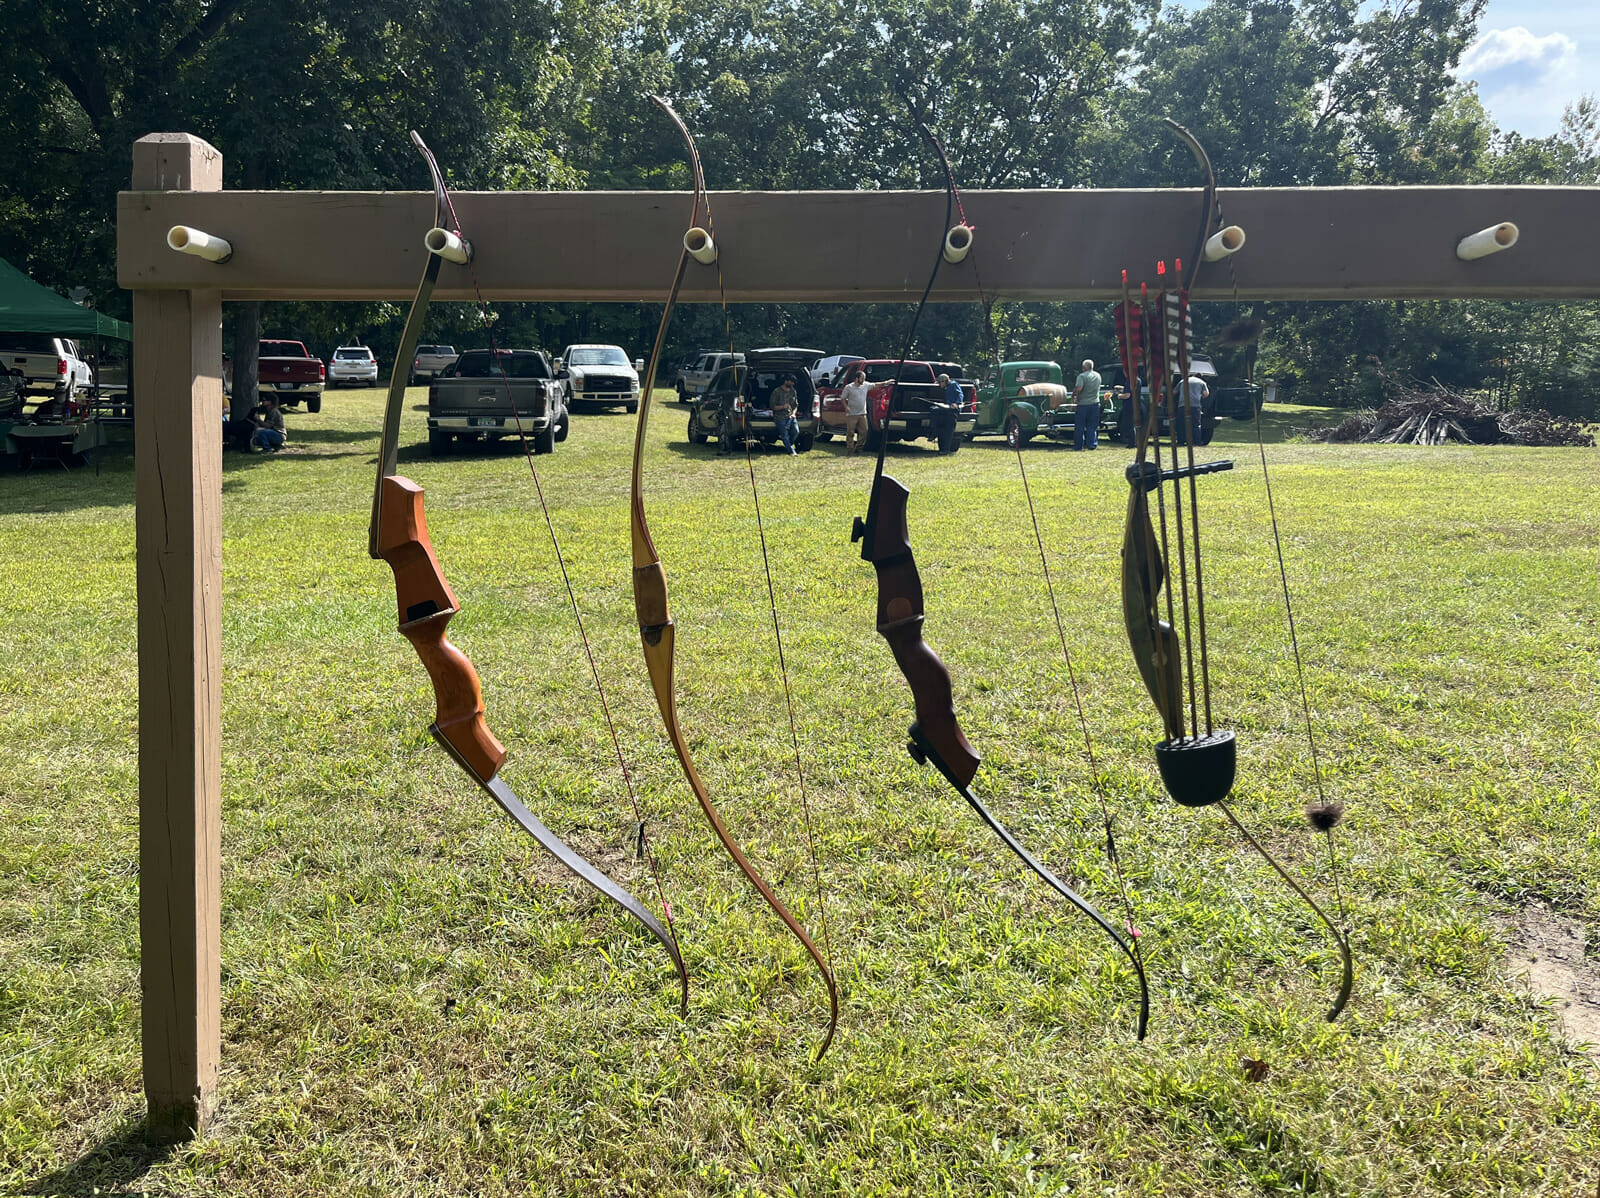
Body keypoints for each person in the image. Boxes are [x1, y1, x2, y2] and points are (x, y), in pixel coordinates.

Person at [1071, 359, 1102, 450]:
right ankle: (1092, 444)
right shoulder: (1098, 375)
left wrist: (1074, 394)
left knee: (1080, 426)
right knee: (1092, 425)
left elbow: (1079, 388)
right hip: (1095, 403)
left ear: (1084, 367)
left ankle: (1078, 446)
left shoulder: (1082, 376)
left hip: (1083, 404)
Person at [840, 369, 870, 455]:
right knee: (850, 432)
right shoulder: (849, 387)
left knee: (864, 432)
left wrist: (886, 382)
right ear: (857, 378)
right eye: (862, 378)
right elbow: (842, 398)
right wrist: (846, 407)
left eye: (864, 378)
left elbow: (876, 385)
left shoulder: (866, 385)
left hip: (862, 413)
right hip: (852, 414)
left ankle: (859, 447)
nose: (863, 380)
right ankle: (850, 449)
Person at [770, 374, 799, 454]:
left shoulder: (793, 391)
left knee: (796, 431)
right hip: (780, 417)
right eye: (791, 382)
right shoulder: (777, 391)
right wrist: (783, 407)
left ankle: (788, 444)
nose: (793, 384)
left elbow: (795, 405)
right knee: (784, 434)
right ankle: (792, 451)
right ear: (786, 381)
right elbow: (773, 406)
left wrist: (793, 414)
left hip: (790, 416)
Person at [1179, 370, 1210, 446]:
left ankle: (1181, 442)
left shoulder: (1183, 381)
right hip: (1195, 405)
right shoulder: (1202, 382)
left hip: (1182, 404)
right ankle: (1197, 442)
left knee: (1181, 424)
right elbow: (1206, 394)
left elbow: (1174, 392)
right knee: (1196, 424)